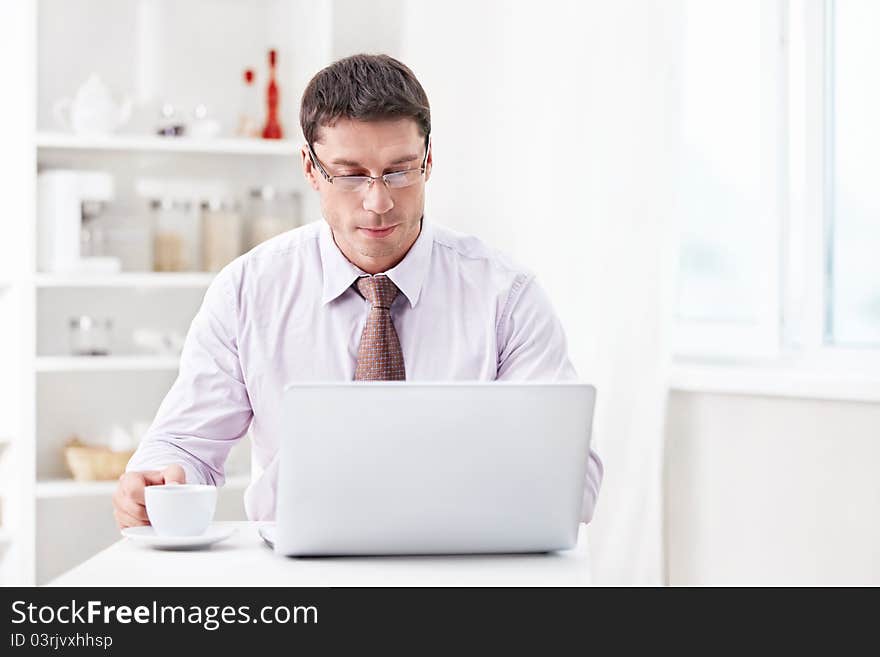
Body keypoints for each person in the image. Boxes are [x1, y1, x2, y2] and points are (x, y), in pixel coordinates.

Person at [114, 54, 603, 530]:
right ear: (310, 168)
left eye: (400, 170)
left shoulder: (506, 297)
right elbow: (184, 445)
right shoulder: (248, 292)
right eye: (349, 175)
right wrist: (159, 477)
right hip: (300, 576)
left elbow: (575, 484)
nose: (378, 201)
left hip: (462, 565)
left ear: (429, 161)